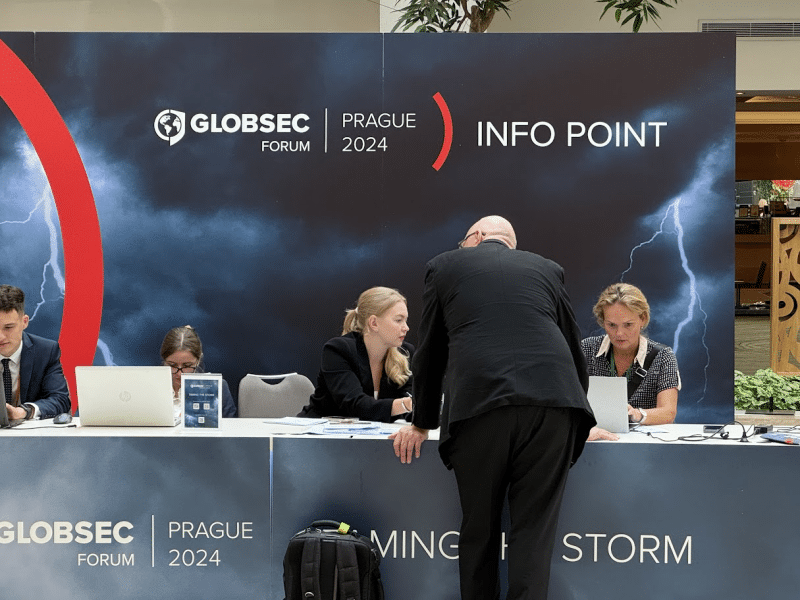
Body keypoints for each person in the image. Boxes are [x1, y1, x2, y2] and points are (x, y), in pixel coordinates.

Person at [390, 216, 595, 600]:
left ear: (477, 237)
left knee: (479, 531)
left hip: (480, 406)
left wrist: (421, 423)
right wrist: (580, 415)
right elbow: (573, 346)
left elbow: (430, 351)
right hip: (553, 407)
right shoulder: (547, 269)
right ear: (511, 244)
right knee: (533, 535)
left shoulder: (444, 265)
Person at [298, 286, 414, 422]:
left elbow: (410, 404)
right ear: (374, 323)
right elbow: (354, 404)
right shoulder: (338, 350)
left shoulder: (405, 353)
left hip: (375, 433)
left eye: (405, 320)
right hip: (317, 431)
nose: (406, 328)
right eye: (399, 320)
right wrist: (407, 405)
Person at [581, 283, 680, 441]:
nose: (619, 333)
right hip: (596, 441)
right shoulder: (587, 349)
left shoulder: (663, 356)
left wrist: (637, 414)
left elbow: (668, 412)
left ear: (643, 319)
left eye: (628, 325)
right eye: (611, 325)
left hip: (644, 445)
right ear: (602, 321)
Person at [0, 284, 70, 420]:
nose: (0, 337)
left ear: (24, 322)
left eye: (8, 327)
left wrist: (24, 411)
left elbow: (60, 400)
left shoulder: (46, 351)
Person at [160, 325, 237, 417]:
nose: (180, 373)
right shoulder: (150, 388)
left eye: (187, 366)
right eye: (172, 365)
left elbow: (230, 425)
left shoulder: (217, 388)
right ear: (164, 361)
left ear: (197, 361)